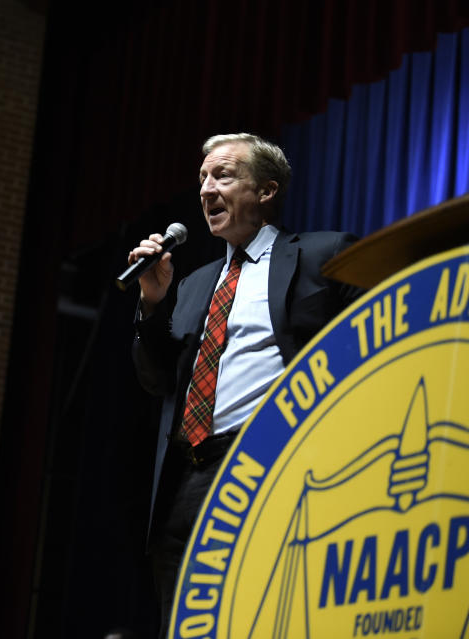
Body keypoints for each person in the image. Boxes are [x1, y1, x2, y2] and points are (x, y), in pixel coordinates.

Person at [128, 133, 364, 638]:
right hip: (184, 479)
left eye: (223, 176)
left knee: (260, 614)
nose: (206, 188)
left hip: (265, 461)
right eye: (202, 179)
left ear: (266, 191)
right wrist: (151, 305)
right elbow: (155, 380)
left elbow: (377, 334)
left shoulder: (321, 254)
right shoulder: (192, 285)